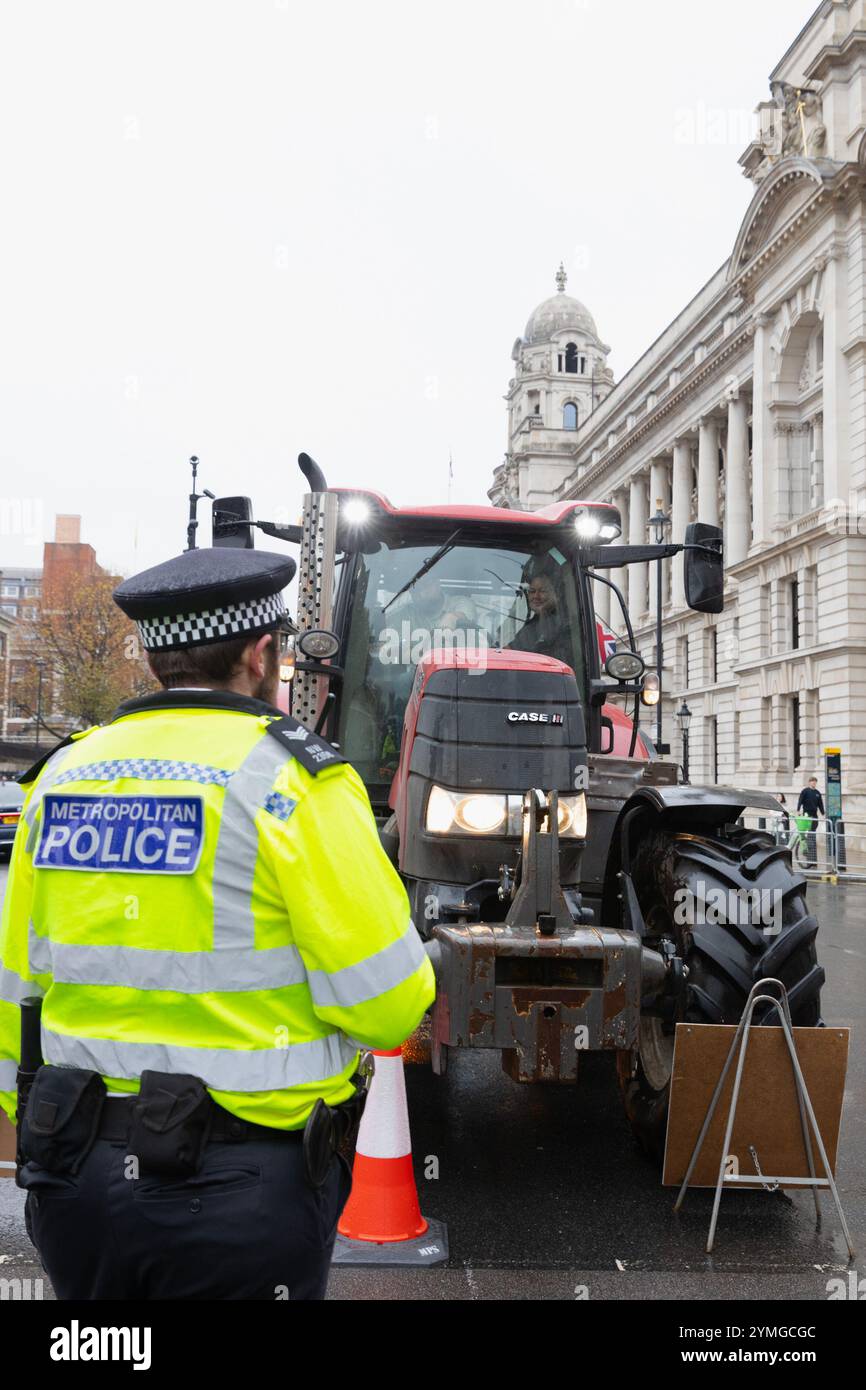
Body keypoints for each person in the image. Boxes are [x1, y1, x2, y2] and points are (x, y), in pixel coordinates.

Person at [0, 545, 435, 1300]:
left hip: (74, 1174)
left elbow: (18, 989)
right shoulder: (296, 783)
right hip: (238, 1189)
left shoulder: (63, 775)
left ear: (150, 655)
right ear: (262, 654)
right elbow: (387, 1003)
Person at [508, 571, 572, 667]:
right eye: (532, 591)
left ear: (556, 594)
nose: (536, 596)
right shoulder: (533, 625)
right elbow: (510, 651)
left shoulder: (565, 623)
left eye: (543, 591)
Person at [797, 776, 825, 869]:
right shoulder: (805, 791)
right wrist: (798, 810)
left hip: (814, 816)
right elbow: (800, 800)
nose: (813, 783)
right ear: (809, 782)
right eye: (812, 781)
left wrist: (823, 813)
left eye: (815, 782)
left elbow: (820, 804)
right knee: (809, 836)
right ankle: (809, 856)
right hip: (806, 816)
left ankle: (812, 859)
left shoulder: (817, 793)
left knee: (812, 836)